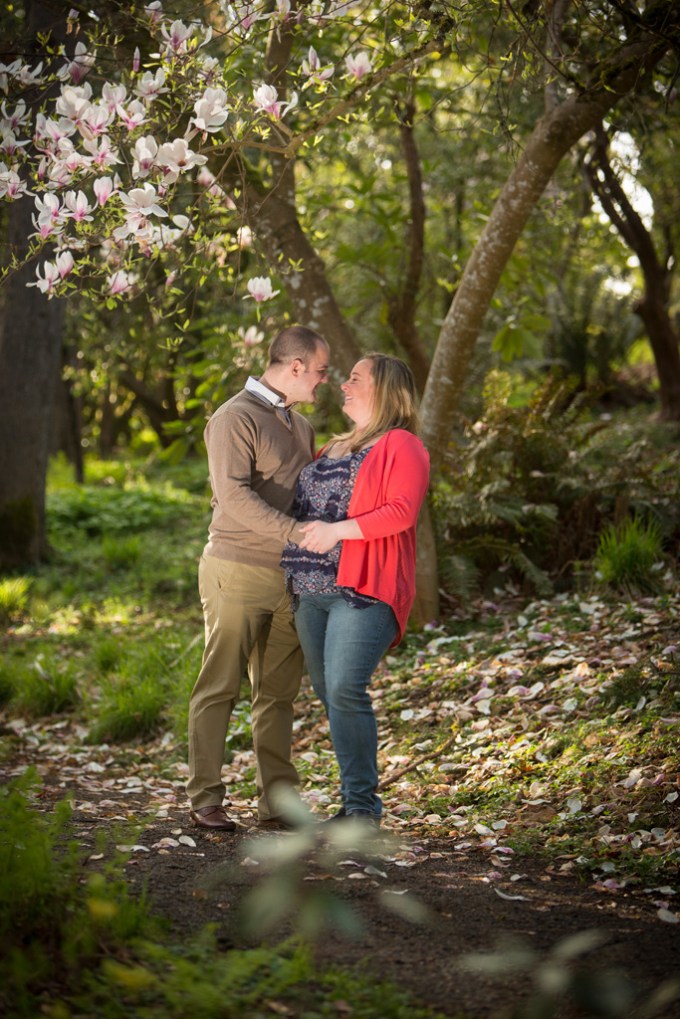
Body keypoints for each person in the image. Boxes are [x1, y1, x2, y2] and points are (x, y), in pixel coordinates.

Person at [187, 325, 330, 831]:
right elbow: (234, 499)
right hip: (236, 569)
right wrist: (296, 533)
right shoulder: (232, 418)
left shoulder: (301, 425)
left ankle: (277, 804)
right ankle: (206, 797)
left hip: (289, 577)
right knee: (219, 685)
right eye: (320, 370)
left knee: (277, 694)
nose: (323, 380)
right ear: (294, 367)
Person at [281, 353, 430, 827]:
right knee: (330, 692)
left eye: (355, 378)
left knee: (346, 686)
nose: (343, 384)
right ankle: (352, 804)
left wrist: (337, 531)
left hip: (362, 589)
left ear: (384, 389)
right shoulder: (331, 448)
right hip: (309, 587)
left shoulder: (401, 444)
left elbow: (401, 512)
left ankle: (363, 810)